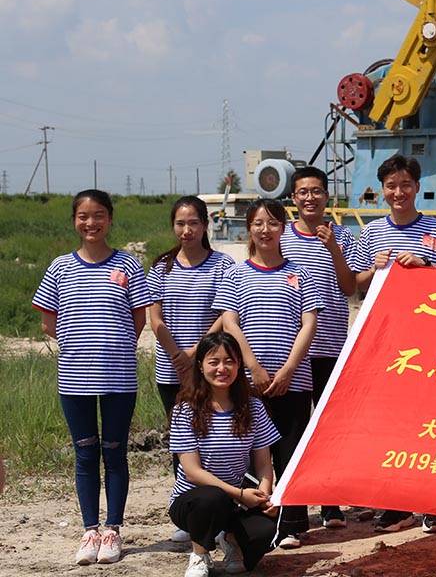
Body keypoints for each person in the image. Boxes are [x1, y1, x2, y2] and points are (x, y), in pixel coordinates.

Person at [32, 190, 152, 566]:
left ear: (110, 219)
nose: (91, 222)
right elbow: (48, 322)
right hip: (74, 379)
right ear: (74, 221)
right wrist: (80, 345)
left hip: (119, 378)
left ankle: (113, 529)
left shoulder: (128, 265)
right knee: (85, 453)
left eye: (98, 215)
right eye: (83, 216)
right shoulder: (60, 267)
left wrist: (112, 347)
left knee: (114, 453)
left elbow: (139, 318)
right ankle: (89, 529)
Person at [349, 154, 436, 534]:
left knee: (430, 421)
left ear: (417, 187)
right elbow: (356, 284)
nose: (399, 192)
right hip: (386, 341)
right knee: (390, 423)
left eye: (406, 185)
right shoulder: (371, 233)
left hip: (428, 339)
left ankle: (433, 503)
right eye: (391, 186)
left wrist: (425, 266)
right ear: (382, 190)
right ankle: (397, 504)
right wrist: (374, 267)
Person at [215, 198, 321, 549]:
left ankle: (291, 524)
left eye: (273, 223)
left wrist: (289, 369)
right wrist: (252, 366)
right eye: (258, 223)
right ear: (249, 229)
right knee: (249, 454)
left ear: (283, 228)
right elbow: (230, 322)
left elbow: (309, 324)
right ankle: (252, 525)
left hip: (294, 380)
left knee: (290, 451)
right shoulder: (235, 274)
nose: (265, 230)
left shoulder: (301, 273)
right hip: (247, 383)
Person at [148, 196, 236, 543]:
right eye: (180, 223)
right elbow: (155, 319)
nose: (187, 230)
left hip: (213, 367)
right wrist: (178, 357)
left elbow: (226, 313)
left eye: (193, 223)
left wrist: (196, 354)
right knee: (184, 441)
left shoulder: (223, 264)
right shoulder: (162, 267)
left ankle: (225, 513)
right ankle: (189, 516)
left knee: (219, 438)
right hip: (172, 371)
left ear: (205, 225)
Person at [279, 166, 356, 529]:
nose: (310, 198)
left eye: (316, 191)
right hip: (292, 352)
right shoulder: (281, 236)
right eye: (303, 192)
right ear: (293, 198)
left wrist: (333, 248)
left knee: (329, 428)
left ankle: (331, 503)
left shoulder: (343, 236)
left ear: (327, 196)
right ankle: (293, 507)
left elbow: (349, 288)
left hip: (330, 346)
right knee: (294, 429)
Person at [169, 331, 281, 577]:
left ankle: (230, 539)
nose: (222, 368)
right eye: (214, 362)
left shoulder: (254, 407)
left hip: (237, 501)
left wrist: (265, 496)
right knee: (211, 497)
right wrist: (239, 494)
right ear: (201, 366)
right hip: (194, 502)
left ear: (239, 365)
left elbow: (264, 464)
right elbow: (193, 472)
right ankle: (200, 555)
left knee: (268, 528)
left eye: (229, 361)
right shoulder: (185, 411)